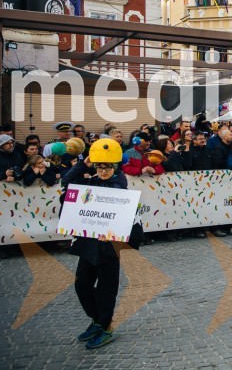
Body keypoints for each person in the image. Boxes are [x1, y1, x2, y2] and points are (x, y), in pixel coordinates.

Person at [60, 138, 136, 349]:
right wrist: (83, 164)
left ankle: (106, 327)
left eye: (107, 167)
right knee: (81, 285)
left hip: (108, 246)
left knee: (106, 289)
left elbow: (118, 188)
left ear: (114, 167)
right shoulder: (92, 181)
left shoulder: (118, 183)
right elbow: (66, 183)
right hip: (88, 243)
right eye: (99, 167)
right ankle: (97, 320)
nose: (103, 171)